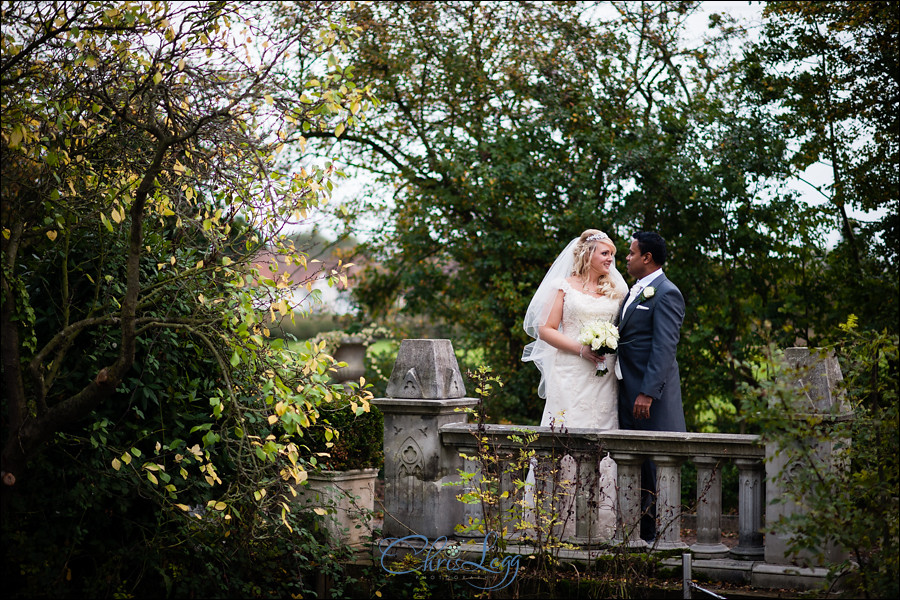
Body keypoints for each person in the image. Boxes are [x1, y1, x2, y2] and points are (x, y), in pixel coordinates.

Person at [522, 229, 628, 540]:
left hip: (604, 375)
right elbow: (545, 328)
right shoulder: (563, 286)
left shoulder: (616, 290)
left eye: (613, 255)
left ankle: (600, 523)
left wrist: (606, 345)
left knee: (603, 437)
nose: (611, 259)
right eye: (605, 253)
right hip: (571, 372)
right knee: (566, 434)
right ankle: (558, 521)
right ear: (587, 254)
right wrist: (582, 348)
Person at [615, 231, 686, 543]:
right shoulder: (636, 290)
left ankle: (660, 536)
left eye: (631, 253)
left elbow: (663, 348)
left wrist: (647, 392)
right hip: (627, 390)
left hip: (651, 397)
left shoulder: (667, 292)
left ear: (647, 258)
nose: (627, 258)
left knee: (656, 467)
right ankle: (642, 533)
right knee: (640, 467)